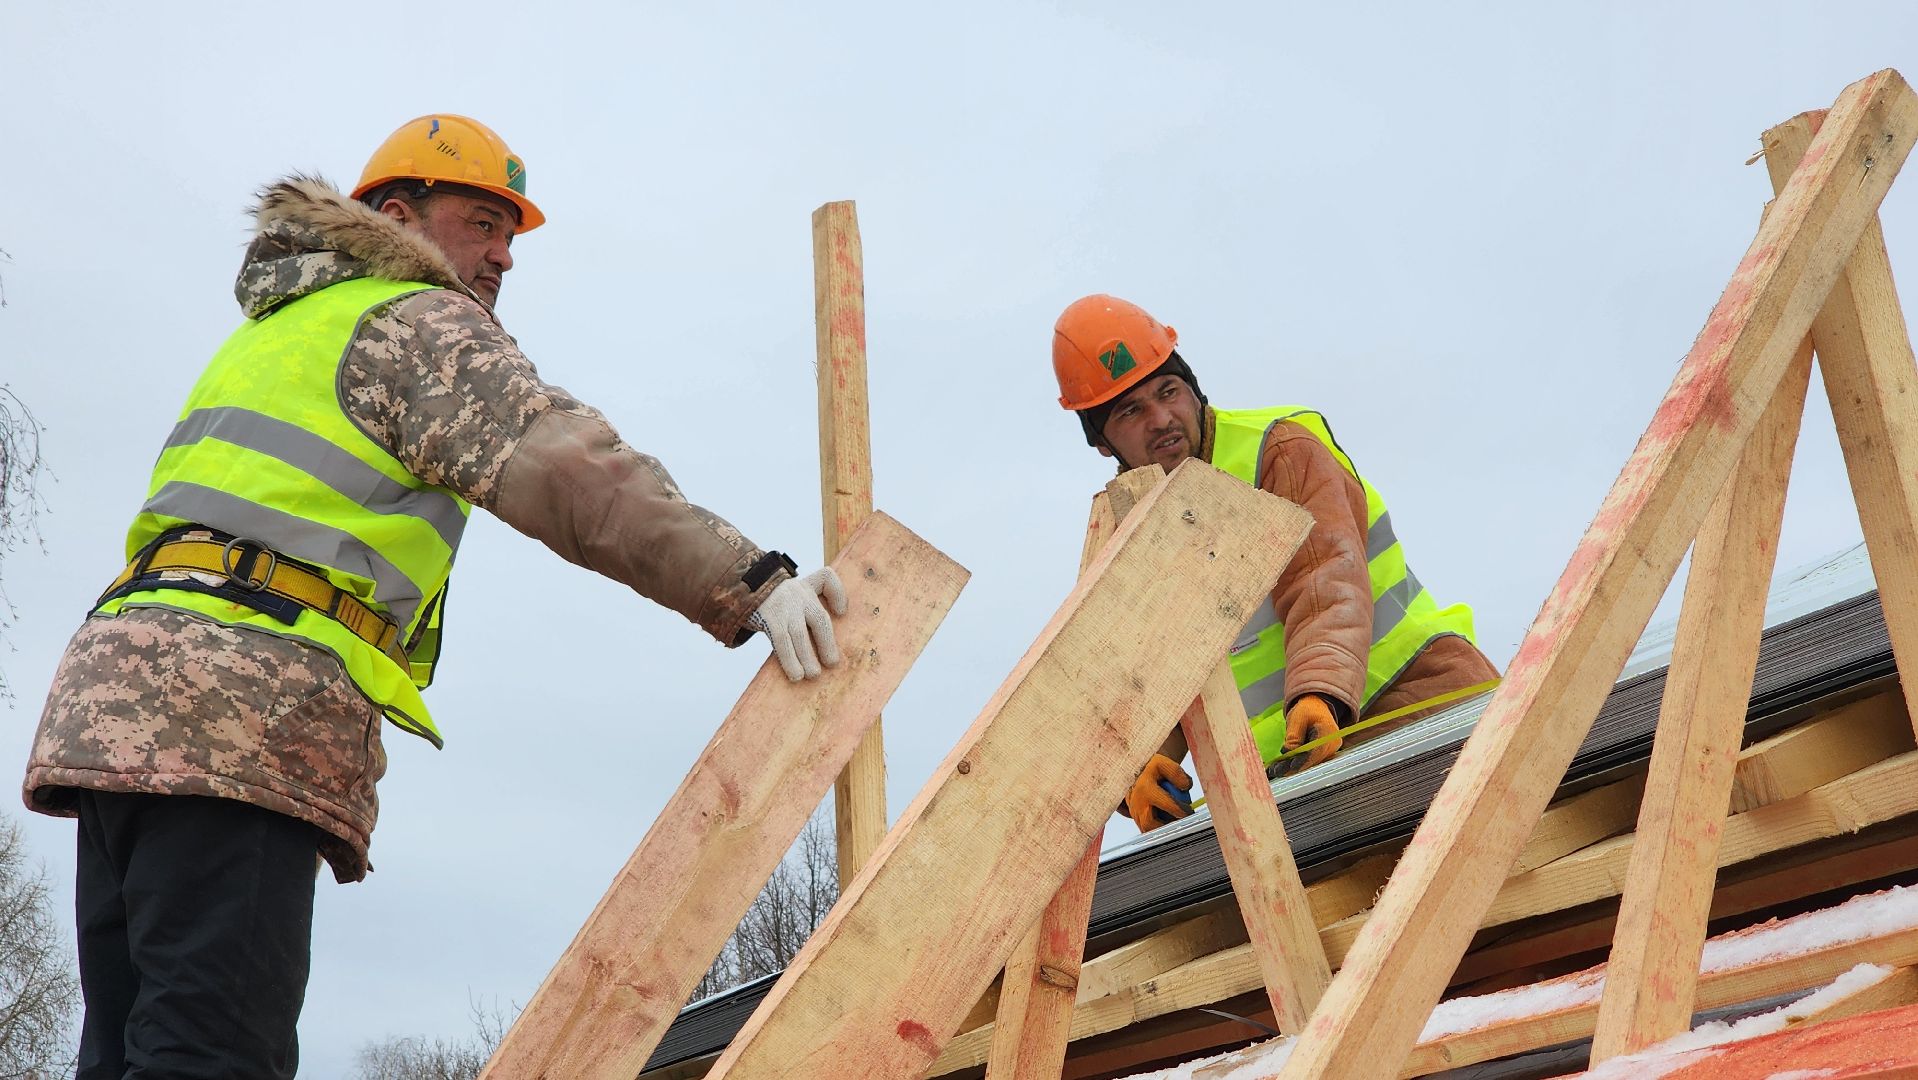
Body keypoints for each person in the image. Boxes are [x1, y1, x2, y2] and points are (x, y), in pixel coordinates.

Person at [23, 114, 846, 1079]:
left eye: (511, 234)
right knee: (212, 1056)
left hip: (117, 713)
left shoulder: (276, 329)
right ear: (397, 216)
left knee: (127, 1050)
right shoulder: (413, 318)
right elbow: (571, 474)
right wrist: (750, 584)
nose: (502, 256)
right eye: (480, 223)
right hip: (236, 712)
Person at [1051, 294, 1500, 833]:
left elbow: (1324, 579)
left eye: (1168, 393)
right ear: (1102, 442)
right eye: (1131, 411)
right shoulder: (1123, 534)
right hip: (1298, 771)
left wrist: (1319, 691)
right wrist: (1139, 762)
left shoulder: (1277, 449)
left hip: (1414, 705)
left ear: (1193, 391)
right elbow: (1143, 672)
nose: (1162, 419)